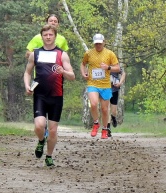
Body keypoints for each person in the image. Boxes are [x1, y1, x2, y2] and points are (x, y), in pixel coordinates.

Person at [23, 24, 75, 167]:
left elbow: (72, 76)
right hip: (40, 95)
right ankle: (41, 140)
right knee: (39, 126)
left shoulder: (62, 54)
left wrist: (63, 72)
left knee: (52, 130)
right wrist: (27, 85)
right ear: (42, 37)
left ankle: (49, 156)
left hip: (56, 96)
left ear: (55, 36)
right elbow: (27, 72)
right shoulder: (35, 53)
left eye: (50, 35)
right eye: (45, 35)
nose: (48, 37)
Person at [80, 33, 119, 139]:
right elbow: (83, 64)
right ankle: (96, 123)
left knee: (105, 109)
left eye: (100, 44)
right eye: (96, 44)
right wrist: (83, 73)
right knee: (93, 104)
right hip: (92, 83)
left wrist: (108, 67)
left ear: (104, 42)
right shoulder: (88, 53)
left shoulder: (110, 54)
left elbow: (118, 68)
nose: (98, 46)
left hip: (105, 85)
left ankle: (105, 129)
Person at [107, 65, 126, 134]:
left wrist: (120, 83)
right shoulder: (103, 64)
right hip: (105, 89)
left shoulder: (116, 66)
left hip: (114, 90)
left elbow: (123, 73)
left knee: (113, 111)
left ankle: (113, 117)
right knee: (107, 109)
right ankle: (108, 127)